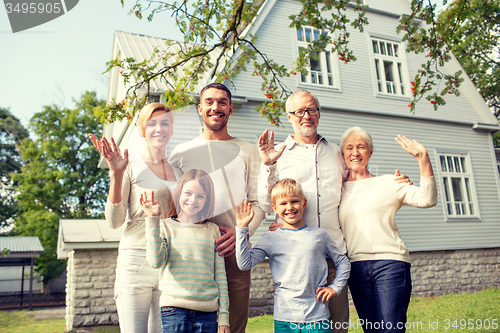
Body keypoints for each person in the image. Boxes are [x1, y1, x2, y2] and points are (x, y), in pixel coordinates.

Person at [257, 89, 411, 333]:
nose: (306, 116)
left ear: (319, 113)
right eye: (299, 111)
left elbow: (359, 182)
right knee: (300, 326)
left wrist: (392, 182)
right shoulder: (277, 155)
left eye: (311, 110)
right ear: (289, 116)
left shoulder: (336, 154)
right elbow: (266, 205)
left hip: (335, 255)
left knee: (338, 327)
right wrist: (268, 166)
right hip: (297, 259)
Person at [169, 83, 264, 333]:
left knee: (232, 328)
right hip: (191, 254)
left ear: (230, 109)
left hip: (233, 251)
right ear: (200, 109)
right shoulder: (181, 154)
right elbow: (174, 204)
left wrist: (243, 232)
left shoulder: (248, 151)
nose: (216, 107)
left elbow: (260, 202)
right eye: (209, 102)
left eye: (222, 102)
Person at [89, 103, 180, 333]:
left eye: (165, 123)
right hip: (136, 260)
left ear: (172, 130)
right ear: (142, 130)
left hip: (170, 260)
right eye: (152, 123)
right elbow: (114, 222)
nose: (159, 128)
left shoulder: (179, 172)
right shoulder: (129, 166)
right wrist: (115, 175)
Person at [338, 126, 437, 333]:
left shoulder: (389, 182)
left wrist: (423, 158)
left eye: (361, 147)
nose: (355, 152)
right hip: (355, 268)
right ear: (342, 154)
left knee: (391, 329)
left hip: (390, 264)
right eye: (349, 148)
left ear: (370, 152)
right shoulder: (335, 191)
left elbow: (427, 199)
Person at [235, 179, 350, 333]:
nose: (289, 207)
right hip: (285, 319)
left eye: (294, 201)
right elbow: (244, 263)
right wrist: (242, 229)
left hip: (317, 318)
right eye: (283, 203)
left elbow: (343, 261)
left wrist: (335, 287)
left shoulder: (319, 235)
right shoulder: (271, 238)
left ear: (304, 203)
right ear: (274, 208)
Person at [141, 169, 230, 333]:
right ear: (178, 193)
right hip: (174, 311)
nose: (193, 200)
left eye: (200, 196)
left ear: (207, 199)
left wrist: (224, 317)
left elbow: (220, 277)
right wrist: (152, 220)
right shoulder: (165, 226)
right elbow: (155, 262)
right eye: (188, 193)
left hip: (208, 314)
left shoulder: (213, 230)